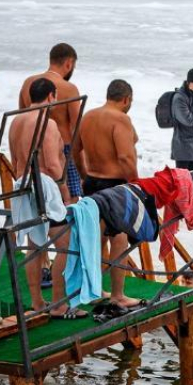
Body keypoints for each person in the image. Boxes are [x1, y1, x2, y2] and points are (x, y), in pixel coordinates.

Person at [9, 77, 86, 319]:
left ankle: (37, 302)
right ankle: (59, 303)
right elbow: (53, 165)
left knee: (34, 246)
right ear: (51, 96)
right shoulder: (47, 123)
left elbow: (14, 162)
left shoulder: (16, 121)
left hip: (22, 186)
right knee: (65, 244)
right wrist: (64, 196)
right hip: (44, 187)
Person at [73, 79, 141, 308]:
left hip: (92, 182)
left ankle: (94, 289)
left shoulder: (89, 116)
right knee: (118, 240)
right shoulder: (121, 118)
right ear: (126, 99)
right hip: (115, 186)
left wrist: (84, 175)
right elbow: (125, 156)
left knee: (96, 239)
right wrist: (135, 184)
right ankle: (118, 294)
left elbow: (75, 150)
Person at [19, 43, 82, 201]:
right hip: (61, 152)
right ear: (69, 63)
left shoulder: (28, 83)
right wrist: (83, 166)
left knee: (37, 200)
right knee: (68, 202)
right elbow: (77, 129)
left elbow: (21, 118)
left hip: (30, 151)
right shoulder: (69, 88)